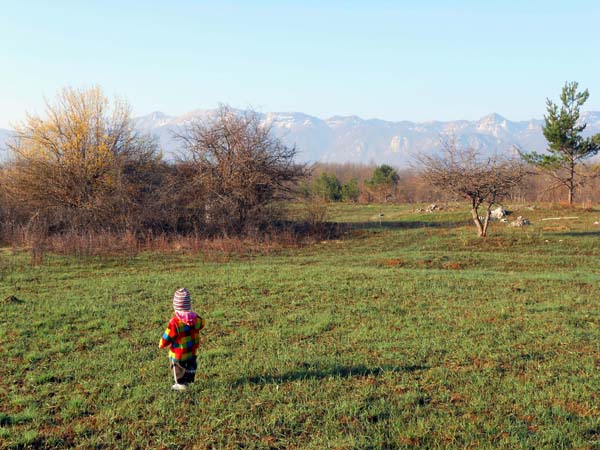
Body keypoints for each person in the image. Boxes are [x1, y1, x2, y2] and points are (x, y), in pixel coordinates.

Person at [159, 288, 205, 391]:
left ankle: (180, 384)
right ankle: (189, 376)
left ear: (175, 306)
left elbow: (168, 336)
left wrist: (162, 343)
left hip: (178, 353)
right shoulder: (196, 318)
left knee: (177, 368)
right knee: (190, 363)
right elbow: (202, 324)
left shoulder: (174, 322)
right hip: (191, 350)